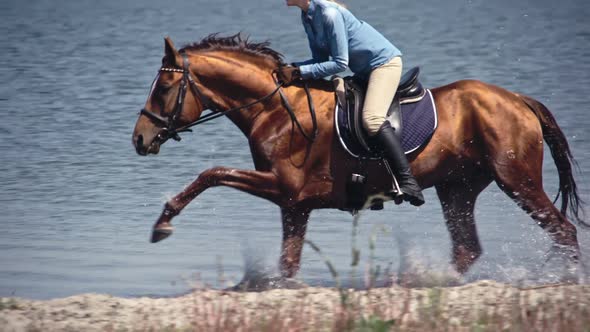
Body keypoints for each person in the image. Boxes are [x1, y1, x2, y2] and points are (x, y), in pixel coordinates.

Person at [279, 0, 424, 206]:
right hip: (364, 71)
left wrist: (300, 72)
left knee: (372, 120)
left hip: (383, 65)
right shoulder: (307, 16)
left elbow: (340, 63)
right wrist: (292, 67)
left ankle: (408, 181)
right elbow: (319, 59)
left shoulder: (330, 14)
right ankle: (373, 182)